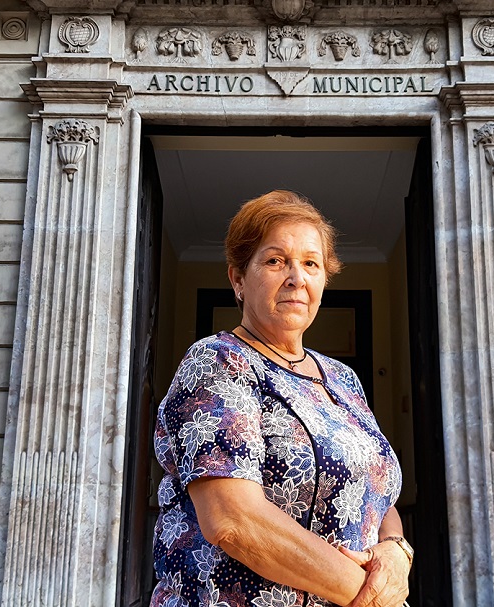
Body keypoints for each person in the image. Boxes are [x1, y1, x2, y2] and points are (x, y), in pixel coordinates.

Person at [150, 190, 412, 607]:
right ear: (238, 278)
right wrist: (374, 597)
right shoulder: (218, 361)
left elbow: (376, 491)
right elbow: (233, 520)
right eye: (275, 261)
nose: (297, 277)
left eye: (311, 263)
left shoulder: (343, 379)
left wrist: (397, 550)